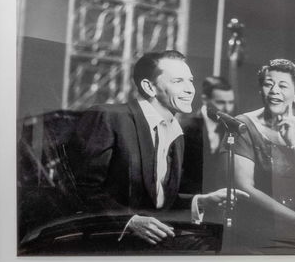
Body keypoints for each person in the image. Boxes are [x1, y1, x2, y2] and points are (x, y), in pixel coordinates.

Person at [198, 59, 295, 254]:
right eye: (268, 84)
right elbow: (243, 187)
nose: (274, 90)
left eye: (283, 85)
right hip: (260, 233)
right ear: (261, 91)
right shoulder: (242, 125)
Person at [66, 49, 202, 247]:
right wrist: (128, 221)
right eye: (178, 81)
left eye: (190, 80)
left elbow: (152, 199)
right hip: (106, 241)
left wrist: (199, 201)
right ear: (149, 87)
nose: (190, 89)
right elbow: (79, 189)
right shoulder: (107, 117)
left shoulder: (176, 133)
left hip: (147, 242)